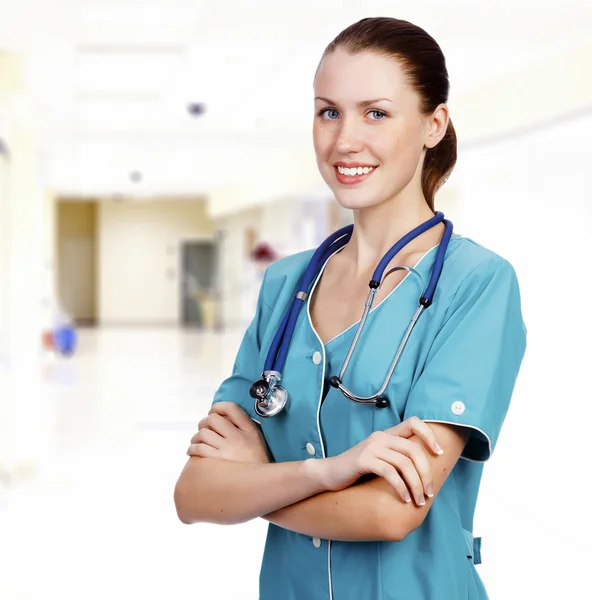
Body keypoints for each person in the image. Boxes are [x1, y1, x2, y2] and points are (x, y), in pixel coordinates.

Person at [174, 16, 527, 600]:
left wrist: (257, 487)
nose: (344, 142)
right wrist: (329, 472)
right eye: (328, 111)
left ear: (433, 125)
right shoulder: (286, 286)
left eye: (377, 113)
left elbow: (392, 512)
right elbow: (195, 495)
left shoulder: (477, 284)